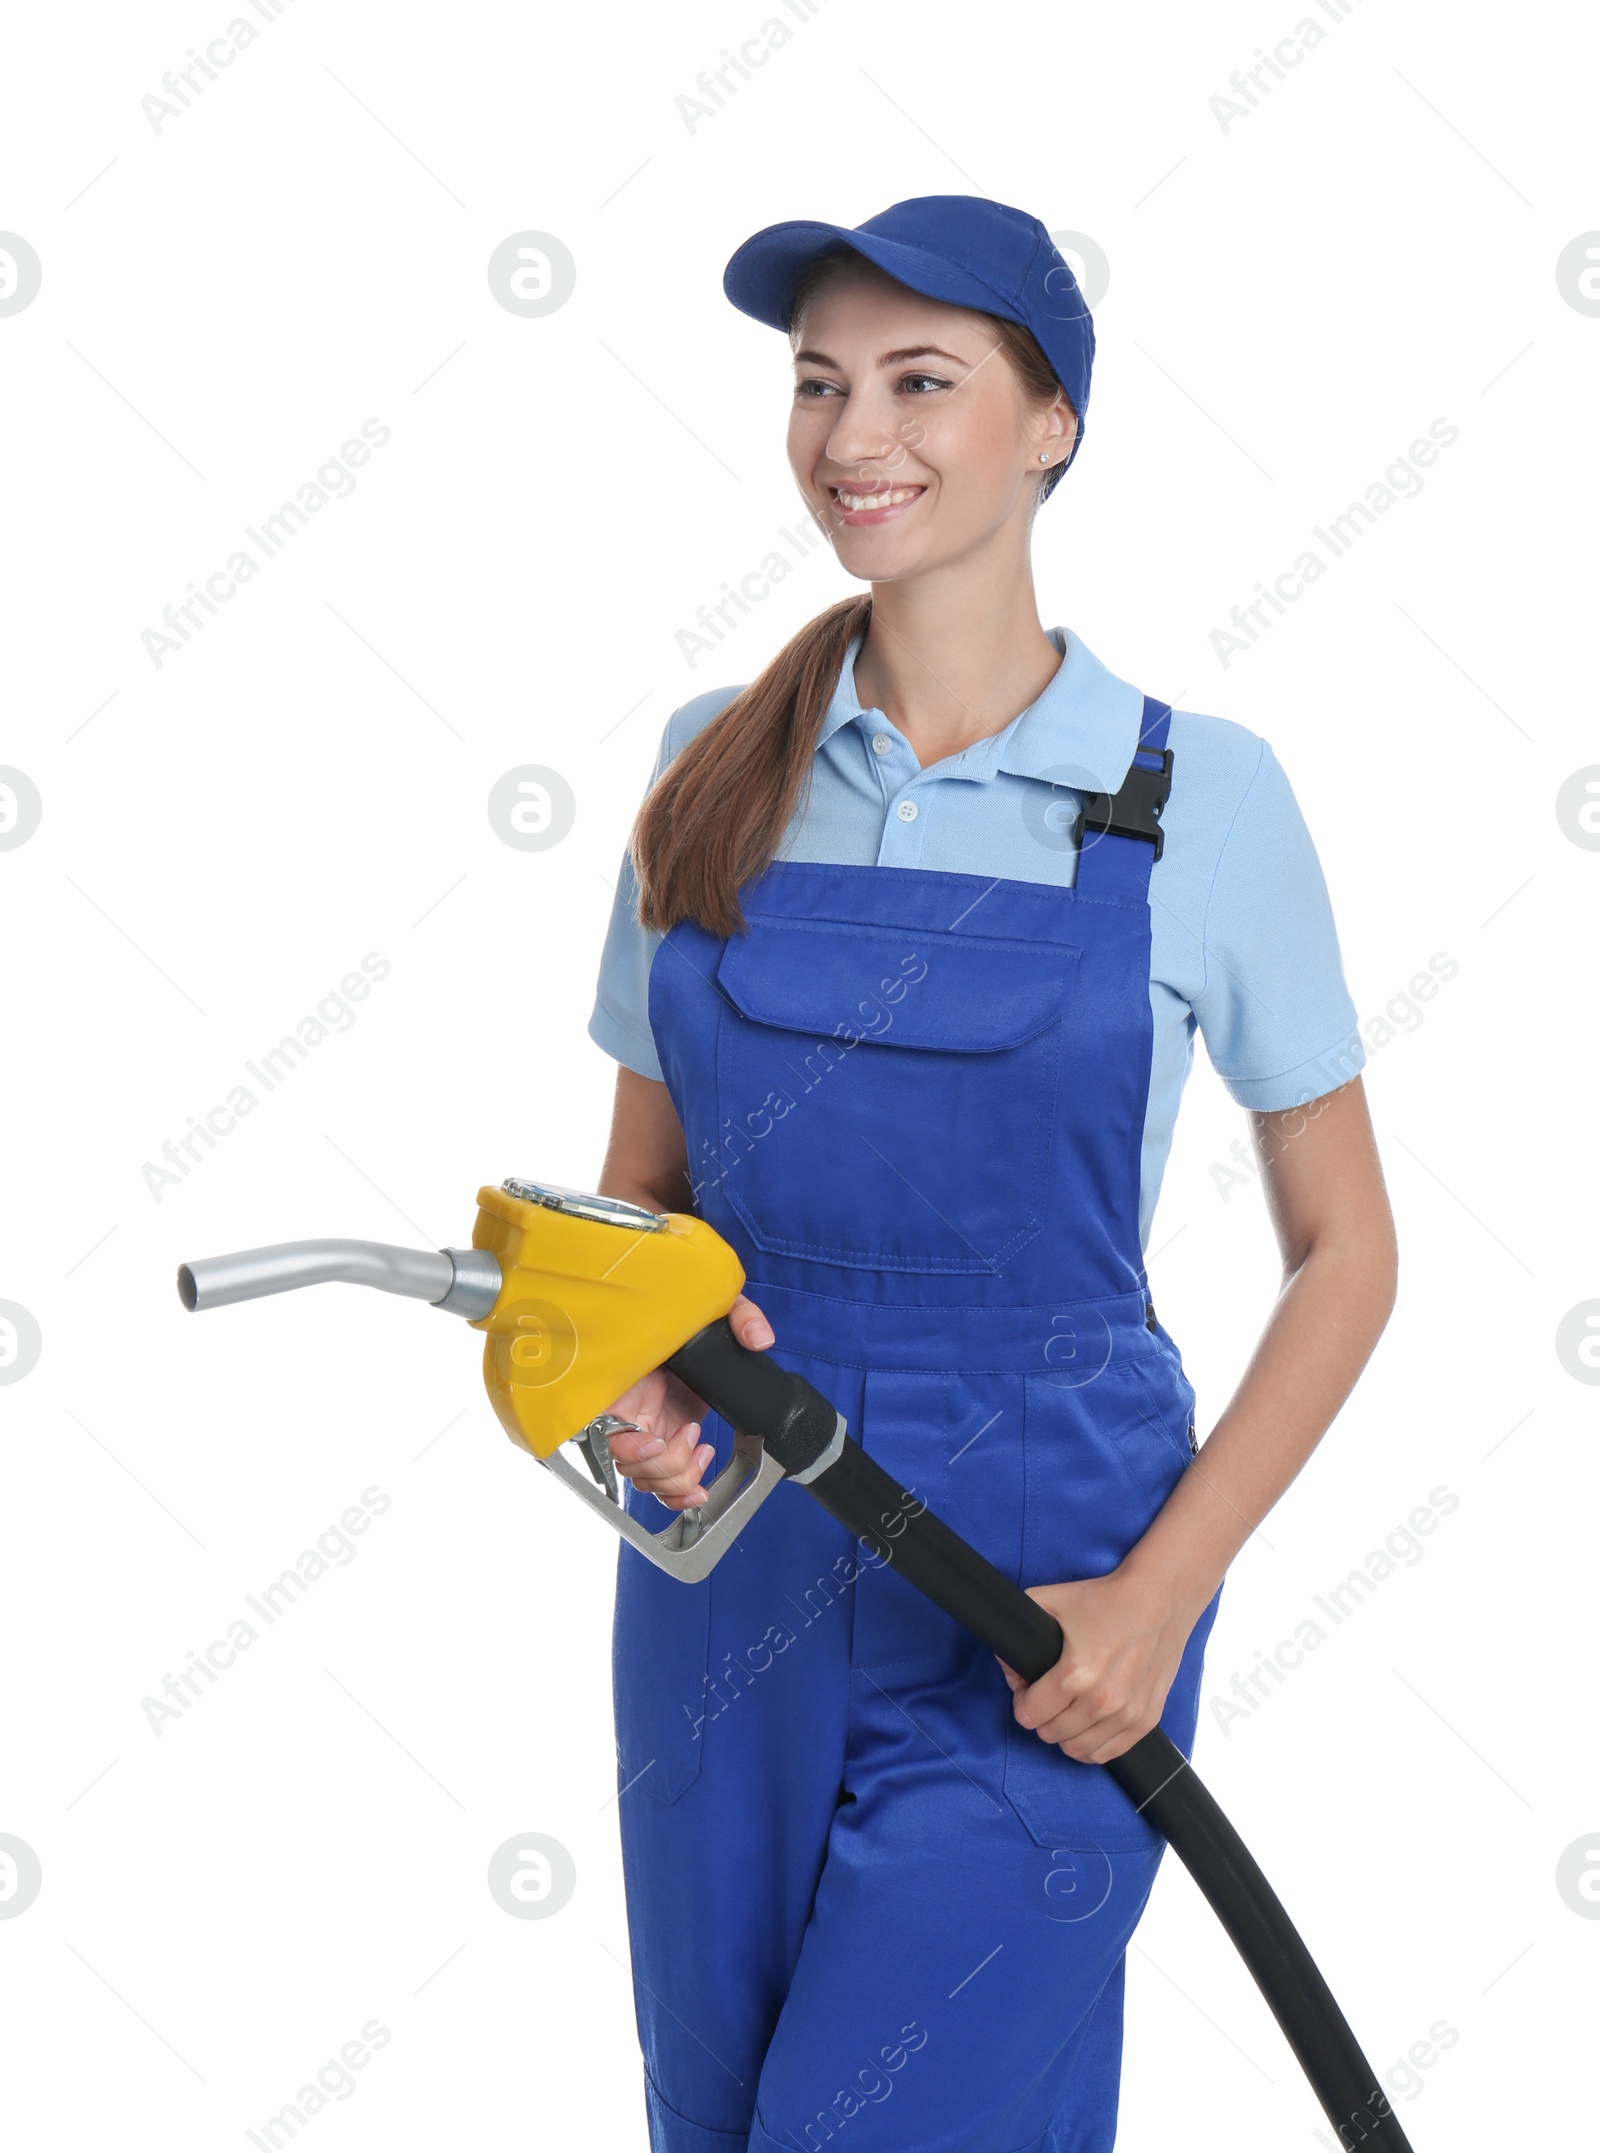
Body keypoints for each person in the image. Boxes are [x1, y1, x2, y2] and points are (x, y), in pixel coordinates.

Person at [584, 196, 1398, 2153]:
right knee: (721, 2121)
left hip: (1041, 1575)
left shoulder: (1199, 802)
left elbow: (1345, 1255)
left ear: (1048, 422)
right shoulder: (714, 763)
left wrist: (1153, 1600)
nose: (852, 433)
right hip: (725, 1565)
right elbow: (635, 1222)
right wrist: (611, 1374)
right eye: (817, 384)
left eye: (918, 381)